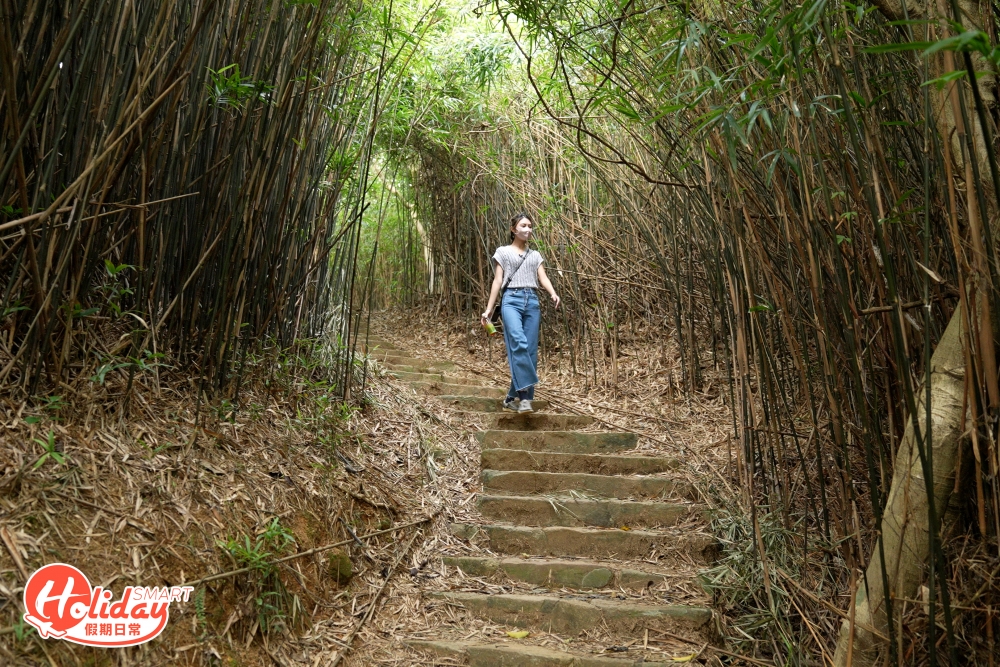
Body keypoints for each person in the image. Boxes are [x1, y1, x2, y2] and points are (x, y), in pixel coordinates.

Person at [480, 212, 560, 413]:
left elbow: (543, 277)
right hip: (511, 301)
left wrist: (552, 293)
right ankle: (525, 399)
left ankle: (510, 397)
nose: (528, 229)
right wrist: (489, 309)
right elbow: (498, 281)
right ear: (513, 229)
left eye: (530, 226)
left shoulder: (535, 255)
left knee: (530, 351)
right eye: (523, 226)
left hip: (531, 301)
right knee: (519, 344)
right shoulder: (503, 252)